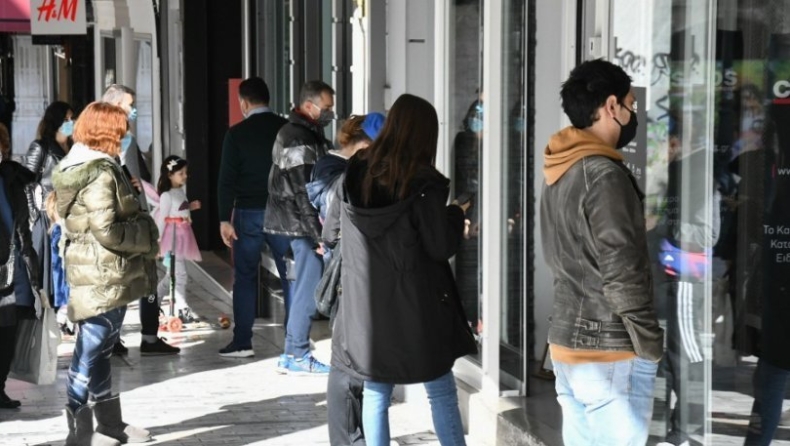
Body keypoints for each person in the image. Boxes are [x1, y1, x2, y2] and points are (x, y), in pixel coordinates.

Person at [327, 94, 477, 445]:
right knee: (441, 390)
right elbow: (440, 245)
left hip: (367, 308)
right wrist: (455, 214)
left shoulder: (356, 171)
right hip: (417, 306)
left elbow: (332, 230)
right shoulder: (423, 183)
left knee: (376, 392)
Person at [540, 59, 664, 446]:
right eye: (631, 104)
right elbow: (622, 273)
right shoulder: (605, 175)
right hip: (608, 351)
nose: (633, 114)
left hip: (566, 343)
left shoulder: (560, 168)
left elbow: (567, 253)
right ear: (612, 106)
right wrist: (650, 346)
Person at [52, 102, 156, 445]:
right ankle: (79, 433)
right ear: (107, 133)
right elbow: (107, 229)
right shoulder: (99, 172)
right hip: (103, 272)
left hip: (98, 270)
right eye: (121, 132)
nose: (125, 137)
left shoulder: (85, 164)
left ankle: (109, 424)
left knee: (100, 349)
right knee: (90, 349)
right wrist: (145, 233)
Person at [309, 112, 385, 446]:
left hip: (356, 275)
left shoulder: (348, 170)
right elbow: (332, 226)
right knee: (347, 366)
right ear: (362, 142)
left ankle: (355, 436)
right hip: (348, 277)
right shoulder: (337, 171)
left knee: (354, 365)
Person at [264, 80, 335, 374]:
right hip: (298, 227)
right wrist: (318, 235)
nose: (330, 112)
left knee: (303, 288)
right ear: (309, 105)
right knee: (307, 289)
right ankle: (297, 354)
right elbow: (302, 190)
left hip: (295, 224)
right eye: (327, 107)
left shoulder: (305, 133)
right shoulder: (297, 138)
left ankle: (293, 352)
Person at [216, 77, 290, 358]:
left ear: (244, 103)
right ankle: (295, 344)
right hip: (283, 212)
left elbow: (226, 180)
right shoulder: (287, 129)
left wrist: (224, 218)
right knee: (290, 277)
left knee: (245, 277)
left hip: (247, 214)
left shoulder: (236, 134)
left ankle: (243, 343)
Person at [102, 83, 179, 356]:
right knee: (146, 275)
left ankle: (112, 338)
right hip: (132, 222)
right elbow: (135, 185)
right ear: (115, 106)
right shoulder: (124, 140)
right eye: (129, 105)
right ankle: (147, 337)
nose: (132, 110)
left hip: (113, 222)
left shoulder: (96, 140)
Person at [0, 122, 39, 410]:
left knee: (9, 332)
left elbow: (23, 227)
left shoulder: (12, 178)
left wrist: (33, 271)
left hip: (13, 268)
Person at [22, 101, 73, 307]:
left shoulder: (74, 147)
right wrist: (35, 215)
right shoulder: (41, 147)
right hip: (47, 219)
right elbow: (25, 183)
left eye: (72, 118)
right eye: (67, 119)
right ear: (57, 121)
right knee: (50, 274)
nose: (71, 123)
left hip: (69, 217)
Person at [153, 155, 202, 323]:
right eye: (181, 173)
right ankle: (181, 309)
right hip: (172, 238)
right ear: (169, 175)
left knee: (171, 275)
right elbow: (162, 219)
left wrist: (190, 207)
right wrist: (158, 241)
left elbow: (179, 209)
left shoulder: (179, 191)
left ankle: (155, 302)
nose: (185, 176)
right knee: (180, 275)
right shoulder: (166, 196)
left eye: (185, 172)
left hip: (182, 237)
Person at [45, 191, 74, 335]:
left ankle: (64, 322)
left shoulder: (56, 229)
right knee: (65, 303)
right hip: (63, 276)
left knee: (66, 304)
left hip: (61, 275)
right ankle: (63, 322)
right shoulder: (59, 229)